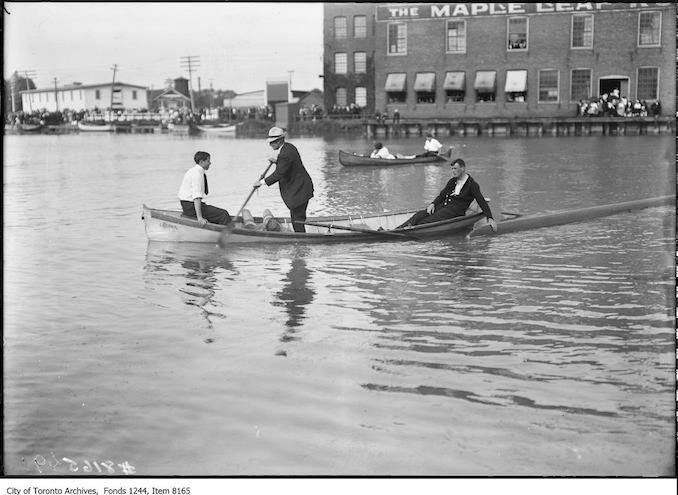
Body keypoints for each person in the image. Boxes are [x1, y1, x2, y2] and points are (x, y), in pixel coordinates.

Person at [396, 158, 497, 231]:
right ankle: (396, 230)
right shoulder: (452, 181)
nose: (453, 171)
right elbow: (442, 195)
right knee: (420, 214)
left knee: (428, 221)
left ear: (463, 168)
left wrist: (490, 218)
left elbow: (481, 201)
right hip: (443, 206)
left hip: (455, 211)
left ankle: (408, 231)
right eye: (452, 169)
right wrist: (433, 204)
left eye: (455, 169)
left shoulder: (472, 185)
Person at [253, 127, 314, 233]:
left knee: (297, 220)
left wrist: (261, 182)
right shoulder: (288, 147)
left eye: (272, 142)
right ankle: (300, 238)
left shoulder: (285, 154)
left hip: (300, 189)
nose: (270, 145)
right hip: (301, 187)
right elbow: (286, 166)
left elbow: (279, 173)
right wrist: (277, 161)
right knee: (297, 217)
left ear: (280, 141)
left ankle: (301, 241)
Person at [178, 151, 231, 226]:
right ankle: (228, 235)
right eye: (208, 161)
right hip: (191, 207)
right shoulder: (197, 174)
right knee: (223, 214)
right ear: (201, 162)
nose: (210, 163)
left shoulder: (194, 171)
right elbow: (196, 198)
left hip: (187, 205)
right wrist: (200, 218)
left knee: (215, 214)